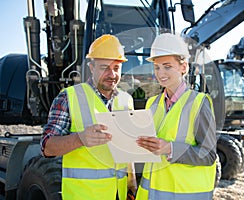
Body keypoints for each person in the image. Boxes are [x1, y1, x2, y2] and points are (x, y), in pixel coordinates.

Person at [41, 34, 136, 200]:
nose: (111, 74)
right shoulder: (69, 97)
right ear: (92, 67)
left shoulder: (126, 100)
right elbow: (47, 147)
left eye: (116, 68)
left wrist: (131, 183)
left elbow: (127, 150)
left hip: (118, 194)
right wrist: (80, 139)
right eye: (104, 67)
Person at [135, 33, 217, 199]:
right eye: (157, 67)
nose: (160, 73)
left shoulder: (198, 103)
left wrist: (170, 149)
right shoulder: (152, 103)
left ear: (183, 67)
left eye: (167, 66)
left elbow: (208, 155)